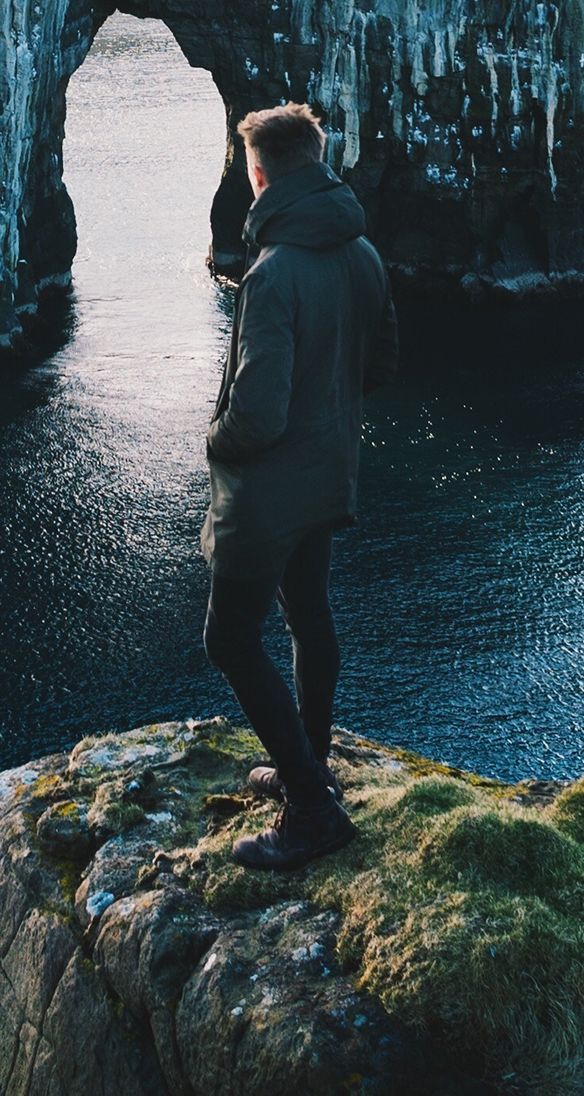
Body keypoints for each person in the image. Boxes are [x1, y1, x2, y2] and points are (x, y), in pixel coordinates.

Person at [201, 100, 398, 870]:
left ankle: (311, 811)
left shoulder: (275, 271)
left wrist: (216, 439)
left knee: (228, 639)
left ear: (257, 176)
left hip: (270, 493)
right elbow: (380, 366)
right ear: (318, 161)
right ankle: (306, 764)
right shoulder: (363, 256)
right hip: (329, 474)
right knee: (307, 613)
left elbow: (256, 412)